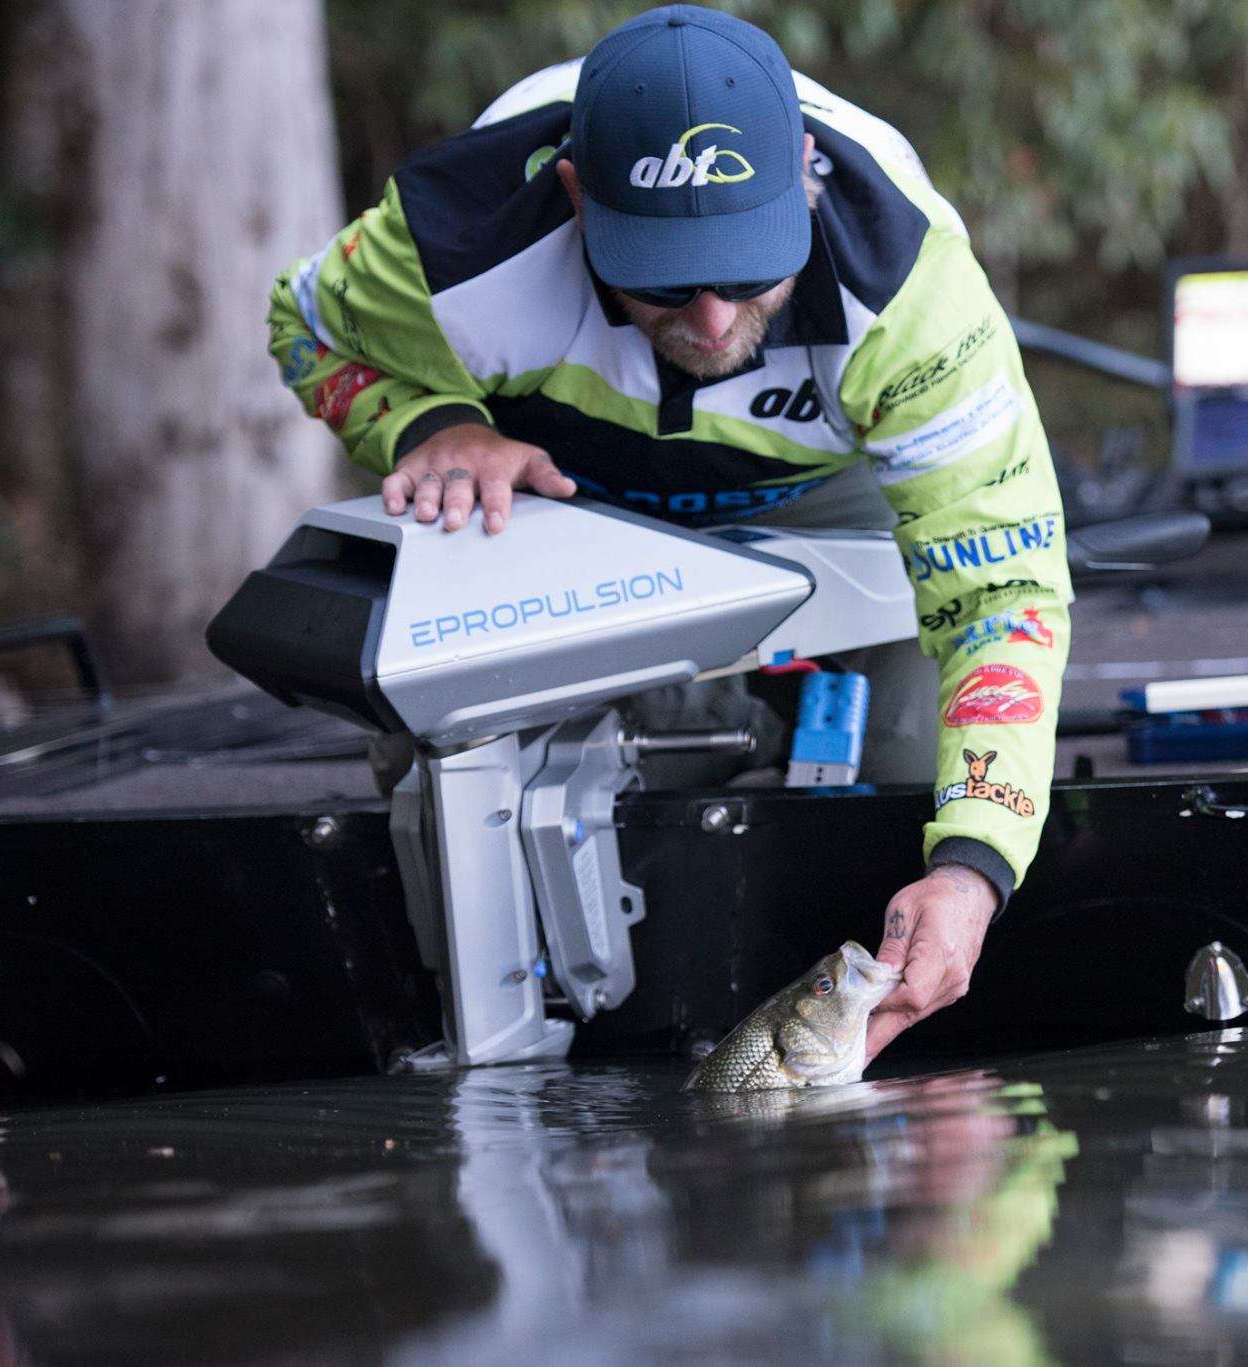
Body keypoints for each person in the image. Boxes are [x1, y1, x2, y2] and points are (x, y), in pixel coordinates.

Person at [266, 5, 1069, 1061]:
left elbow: (1001, 594)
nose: (709, 322)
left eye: (746, 271)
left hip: (821, 491)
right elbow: (304, 327)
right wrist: (434, 425)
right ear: (574, 196)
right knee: (445, 748)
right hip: (561, 494)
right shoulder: (453, 239)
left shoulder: (911, 283)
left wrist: (972, 866)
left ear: (805, 169)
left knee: (921, 758)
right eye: (659, 278)